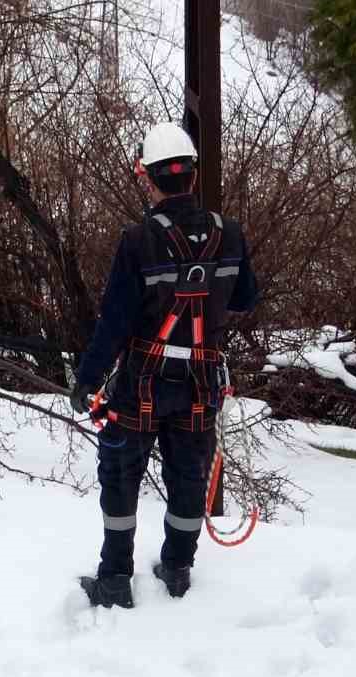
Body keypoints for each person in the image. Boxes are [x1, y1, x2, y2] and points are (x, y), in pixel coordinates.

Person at [71, 123, 262, 607]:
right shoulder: (229, 234)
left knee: (120, 474)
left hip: (142, 384)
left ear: (149, 178)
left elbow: (114, 321)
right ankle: (177, 569)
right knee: (189, 475)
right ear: (191, 177)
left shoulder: (138, 241)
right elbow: (245, 298)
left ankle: (115, 579)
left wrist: (87, 381)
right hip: (201, 384)